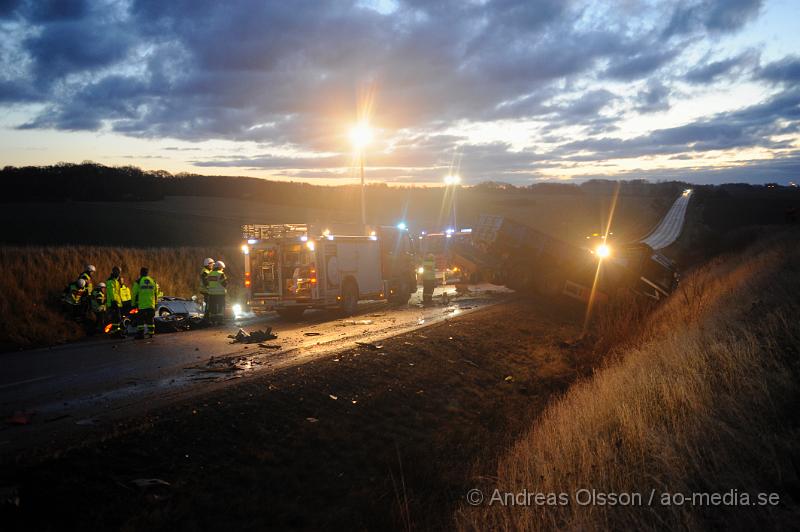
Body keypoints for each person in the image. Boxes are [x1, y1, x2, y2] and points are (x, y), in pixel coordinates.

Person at [132, 267, 159, 339]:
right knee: (150, 320)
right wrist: (156, 304)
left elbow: (134, 293)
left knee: (140, 320)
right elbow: (156, 294)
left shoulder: (138, 281)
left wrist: (133, 304)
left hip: (142, 306)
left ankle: (141, 334)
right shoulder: (153, 281)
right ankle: (151, 333)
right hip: (151, 305)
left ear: (141, 273)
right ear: (147, 273)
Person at [205, 260, 228, 325]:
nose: (223, 269)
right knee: (220, 308)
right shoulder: (221, 274)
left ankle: (212, 321)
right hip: (220, 294)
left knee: (212, 308)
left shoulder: (210, 273)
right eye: (222, 268)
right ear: (220, 267)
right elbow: (225, 283)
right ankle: (220, 321)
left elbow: (207, 283)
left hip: (211, 294)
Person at [106, 266, 124, 335]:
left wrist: (121, 284)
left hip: (118, 302)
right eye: (118, 272)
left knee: (117, 319)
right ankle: (115, 333)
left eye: (119, 272)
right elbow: (112, 292)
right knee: (116, 319)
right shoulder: (110, 280)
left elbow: (118, 291)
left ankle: (117, 332)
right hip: (113, 303)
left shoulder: (116, 280)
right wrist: (114, 301)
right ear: (114, 271)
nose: (119, 273)